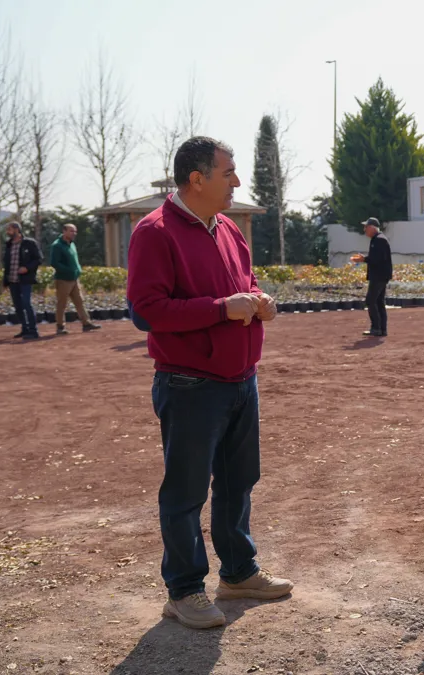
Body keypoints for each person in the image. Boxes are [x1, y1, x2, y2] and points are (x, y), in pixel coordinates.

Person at [127, 136, 293, 629]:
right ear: (196, 179)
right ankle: (184, 590)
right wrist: (222, 309)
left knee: (239, 482)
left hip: (241, 379)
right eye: (228, 172)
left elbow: (245, 284)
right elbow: (146, 311)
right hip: (189, 384)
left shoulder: (228, 228)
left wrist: (259, 300)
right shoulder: (154, 232)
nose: (237, 181)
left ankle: (238, 573)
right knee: (186, 492)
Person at [50, 223, 101, 335]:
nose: (74, 233)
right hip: (63, 279)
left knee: (79, 301)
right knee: (62, 303)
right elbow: (54, 263)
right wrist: (68, 270)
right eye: (71, 231)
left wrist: (77, 270)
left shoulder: (72, 244)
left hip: (74, 279)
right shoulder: (57, 245)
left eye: (75, 231)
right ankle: (60, 326)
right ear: (64, 231)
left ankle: (86, 323)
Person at [1, 222, 42, 340]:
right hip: (12, 280)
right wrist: (5, 280)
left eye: (9, 229)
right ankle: (25, 329)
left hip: (25, 280)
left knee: (26, 304)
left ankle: (33, 331)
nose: (7, 232)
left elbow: (39, 259)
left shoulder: (29, 243)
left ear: (17, 229)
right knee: (18, 306)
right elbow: (7, 264)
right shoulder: (9, 244)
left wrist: (27, 268)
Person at [362, 217, 392, 337]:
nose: (364, 230)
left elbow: (377, 259)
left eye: (366, 227)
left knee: (370, 300)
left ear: (372, 228)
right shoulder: (378, 239)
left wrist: (364, 259)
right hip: (381, 275)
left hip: (379, 276)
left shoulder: (379, 240)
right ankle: (382, 329)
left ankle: (376, 328)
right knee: (379, 302)